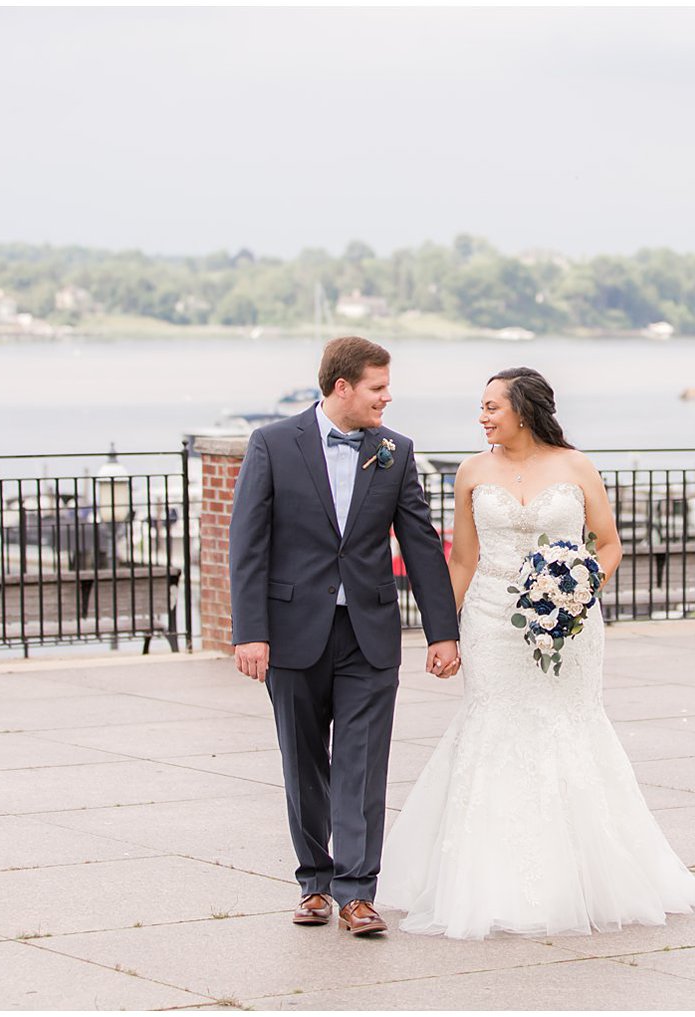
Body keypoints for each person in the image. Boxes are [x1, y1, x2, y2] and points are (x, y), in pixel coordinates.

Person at [380, 367, 695, 939]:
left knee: (568, 727)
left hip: (571, 624)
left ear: (524, 410)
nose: (482, 416)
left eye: (492, 406)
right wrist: (444, 633)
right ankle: (488, 880)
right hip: (490, 619)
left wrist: (578, 594)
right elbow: (461, 559)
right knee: (494, 727)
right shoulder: (471, 471)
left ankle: (582, 876)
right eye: (480, 407)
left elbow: (607, 546)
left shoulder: (575, 466)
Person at [228, 336, 461, 937]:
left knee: (362, 763)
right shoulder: (273, 444)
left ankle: (358, 892)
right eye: (377, 389)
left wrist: (443, 633)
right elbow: (247, 547)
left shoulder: (395, 451)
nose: (387, 399)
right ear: (342, 388)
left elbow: (421, 544)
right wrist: (250, 632)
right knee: (303, 759)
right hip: (291, 632)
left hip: (369, 632)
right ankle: (314, 882)